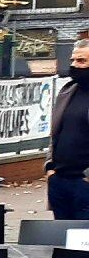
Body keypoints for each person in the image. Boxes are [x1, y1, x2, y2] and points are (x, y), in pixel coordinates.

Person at [49, 29, 89, 220]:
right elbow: (55, 133)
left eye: (81, 61)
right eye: (73, 60)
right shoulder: (68, 90)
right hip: (59, 180)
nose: (74, 65)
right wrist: (50, 168)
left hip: (84, 182)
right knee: (61, 240)